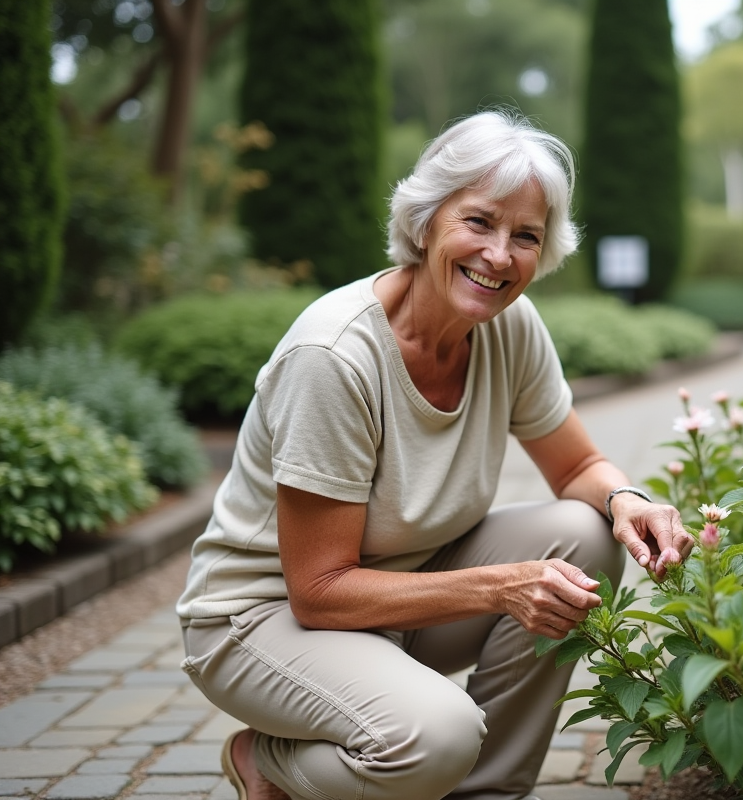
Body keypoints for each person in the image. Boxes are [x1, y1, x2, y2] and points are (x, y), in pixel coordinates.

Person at [175, 111, 691, 800]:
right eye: (478, 222)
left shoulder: (511, 325)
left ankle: (486, 792)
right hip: (267, 621)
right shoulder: (333, 358)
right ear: (425, 220)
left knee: (585, 533)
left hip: (401, 595)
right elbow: (319, 590)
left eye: (526, 236)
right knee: (435, 736)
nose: (500, 256)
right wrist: (502, 587)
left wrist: (631, 501)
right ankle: (267, 762)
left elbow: (575, 471)